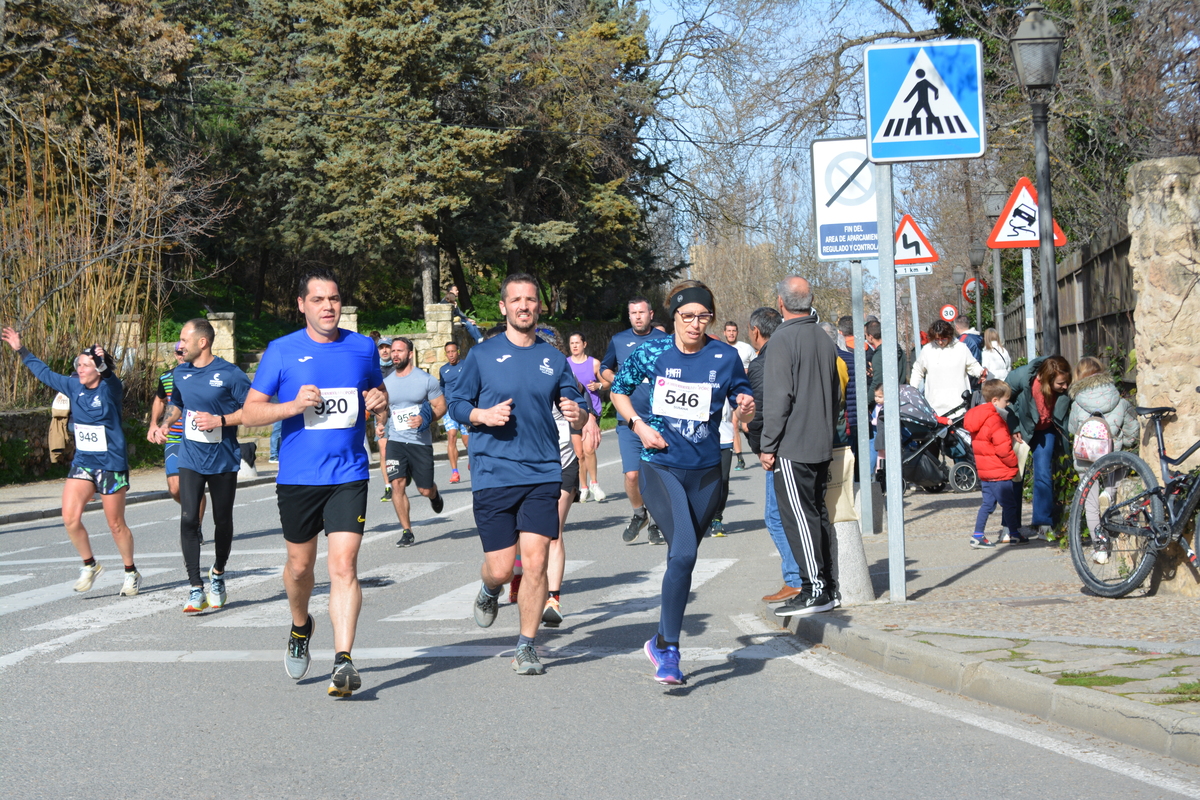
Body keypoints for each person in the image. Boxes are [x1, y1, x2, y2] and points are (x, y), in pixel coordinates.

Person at [241, 269, 388, 698]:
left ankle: (343, 661)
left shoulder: (362, 348)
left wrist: (381, 402)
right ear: (302, 305)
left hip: (348, 474)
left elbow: (377, 397)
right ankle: (301, 625)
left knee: (343, 566)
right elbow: (250, 413)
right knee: (301, 568)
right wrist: (292, 405)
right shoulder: (282, 351)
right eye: (319, 299)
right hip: (299, 477)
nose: (328, 306)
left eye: (335, 299)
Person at [611, 280, 754, 684]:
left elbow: (742, 402)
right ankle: (670, 650)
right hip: (662, 464)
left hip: (707, 470)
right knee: (686, 552)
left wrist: (746, 406)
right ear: (672, 316)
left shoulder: (724, 355)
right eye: (687, 316)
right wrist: (638, 425)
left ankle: (659, 639)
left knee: (682, 557)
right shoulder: (651, 351)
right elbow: (618, 392)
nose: (695, 324)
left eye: (703, 317)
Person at [447, 273, 586, 676]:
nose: (525, 305)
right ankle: (491, 589)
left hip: (542, 471)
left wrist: (578, 409)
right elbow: (456, 402)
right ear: (503, 307)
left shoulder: (553, 358)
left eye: (531, 299)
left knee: (536, 562)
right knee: (502, 567)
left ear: (538, 307)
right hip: (493, 471)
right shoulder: (482, 355)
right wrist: (480, 415)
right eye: (517, 299)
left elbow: (573, 394)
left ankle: (526, 645)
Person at [2, 329, 140, 596]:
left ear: (97, 369)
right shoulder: (73, 385)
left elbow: (111, 377)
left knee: (115, 524)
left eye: (85, 365)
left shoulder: (109, 389)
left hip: (111, 464)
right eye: (78, 364)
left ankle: (130, 571)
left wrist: (101, 361)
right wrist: (22, 350)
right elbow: (44, 373)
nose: (80, 368)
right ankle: (90, 565)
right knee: (69, 518)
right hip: (84, 462)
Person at [152, 318, 251, 613]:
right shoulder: (180, 373)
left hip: (222, 458)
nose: (179, 346)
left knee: (222, 521)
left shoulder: (231, 374)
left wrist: (220, 420)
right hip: (191, 457)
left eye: (183, 340)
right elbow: (177, 404)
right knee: (188, 519)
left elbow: (253, 411)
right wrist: (164, 423)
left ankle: (218, 572)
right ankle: (195, 588)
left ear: (202, 342)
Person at [759, 276, 843, 618]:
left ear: (780, 303)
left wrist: (768, 444)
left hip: (794, 444)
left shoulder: (782, 339)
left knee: (799, 518)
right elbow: (837, 392)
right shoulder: (824, 338)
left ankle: (815, 589)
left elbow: (779, 398)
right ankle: (827, 585)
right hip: (821, 439)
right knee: (816, 515)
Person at [600, 296, 671, 545]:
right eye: (633, 313)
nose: (638, 316)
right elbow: (604, 368)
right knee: (632, 475)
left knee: (654, 475)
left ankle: (656, 524)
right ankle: (639, 513)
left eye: (642, 312)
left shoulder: (664, 341)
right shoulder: (619, 340)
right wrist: (617, 378)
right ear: (629, 316)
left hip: (658, 420)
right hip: (628, 421)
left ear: (651, 314)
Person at [743, 307, 802, 603]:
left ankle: (795, 579)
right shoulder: (795, 350)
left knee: (776, 517)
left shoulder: (763, 363)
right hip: (805, 442)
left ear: (755, 331)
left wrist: (761, 448)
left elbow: (761, 414)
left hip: (779, 449)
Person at [1067, 357, 1139, 564]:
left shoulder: (1077, 403)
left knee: (1091, 505)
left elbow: (1073, 429)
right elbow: (1133, 432)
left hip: (1086, 459)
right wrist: (1122, 441)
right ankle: (1110, 492)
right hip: (1111, 456)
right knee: (1117, 473)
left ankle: (1100, 549)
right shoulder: (1120, 400)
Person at [377, 337, 446, 547]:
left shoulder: (426, 380)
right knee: (397, 485)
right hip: (396, 442)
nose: (395, 354)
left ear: (409, 354)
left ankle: (434, 494)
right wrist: (381, 424)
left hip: (419, 443)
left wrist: (426, 419)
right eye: (393, 351)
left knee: (423, 490)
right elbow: (383, 411)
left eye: (399, 351)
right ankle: (407, 530)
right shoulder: (386, 384)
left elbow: (441, 407)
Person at [544, 397, 601, 627]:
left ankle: (552, 600)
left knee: (553, 532)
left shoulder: (565, 382)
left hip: (562, 466)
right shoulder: (517, 378)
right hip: (527, 469)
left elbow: (581, 413)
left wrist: (588, 419)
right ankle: (515, 574)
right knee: (522, 536)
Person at [1005, 355, 1073, 540]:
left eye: (1067, 382)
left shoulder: (1063, 388)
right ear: (1046, 379)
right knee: (1015, 475)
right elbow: (1002, 401)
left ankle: (1043, 523)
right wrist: (1013, 427)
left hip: (1045, 430)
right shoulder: (1022, 377)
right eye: (1060, 383)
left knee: (1043, 473)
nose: (1065, 387)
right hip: (1022, 429)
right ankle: (1010, 526)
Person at [148, 345, 207, 531]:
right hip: (174, 437)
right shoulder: (166, 377)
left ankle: (195, 527)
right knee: (175, 488)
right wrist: (153, 424)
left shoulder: (201, 375)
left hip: (197, 438)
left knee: (194, 486)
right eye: (179, 353)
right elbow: (159, 399)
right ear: (175, 355)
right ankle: (191, 511)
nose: (182, 356)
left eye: (185, 352)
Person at [963, 380, 1026, 548]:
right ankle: (1013, 534)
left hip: (986, 472)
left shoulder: (978, 417)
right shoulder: (995, 420)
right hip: (999, 471)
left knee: (987, 504)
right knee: (1009, 504)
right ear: (995, 401)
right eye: (1006, 400)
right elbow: (1003, 449)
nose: (1008, 404)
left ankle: (978, 534)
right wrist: (1014, 463)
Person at [909, 319, 984, 418]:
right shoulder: (927, 350)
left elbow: (972, 365)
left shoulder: (961, 348)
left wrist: (980, 372)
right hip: (934, 404)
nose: (940, 342)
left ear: (949, 336)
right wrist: (912, 389)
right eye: (937, 339)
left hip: (958, 404)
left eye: (943, 339)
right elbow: (917, 370)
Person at [567, 331, 605, 502]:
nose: (574, 346)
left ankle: (594, 484)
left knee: (589, 449)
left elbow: (609, 382)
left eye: (577, 342)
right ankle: (583, 487)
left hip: (592, 411)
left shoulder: (594, 364)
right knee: (579, 453)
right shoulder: (565, 364)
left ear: (584, 344)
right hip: (573, 413)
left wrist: (599, 385)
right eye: (571, 343)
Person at [722, 321, 756, 471]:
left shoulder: (746, 349)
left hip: (744, 393)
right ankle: (740, 459)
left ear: (737, 332)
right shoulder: (720, 349)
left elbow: (756, 368)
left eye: (733, 331)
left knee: (746, 427)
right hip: (728, 394)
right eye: (728, 331)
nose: (731, 333)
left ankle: (755, 444)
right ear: (724, 333)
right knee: (734, 424)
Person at [439, 342, 469, 484]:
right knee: (451, 436)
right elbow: (442, 388)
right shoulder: (443, 370)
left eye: (453, 351)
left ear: (458, 351)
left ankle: (472, 460)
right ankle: (455, 472)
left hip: (464, 407)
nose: (451, 355)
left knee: (467, 440)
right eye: (448, 352)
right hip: (450, 408)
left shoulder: (466, 365)